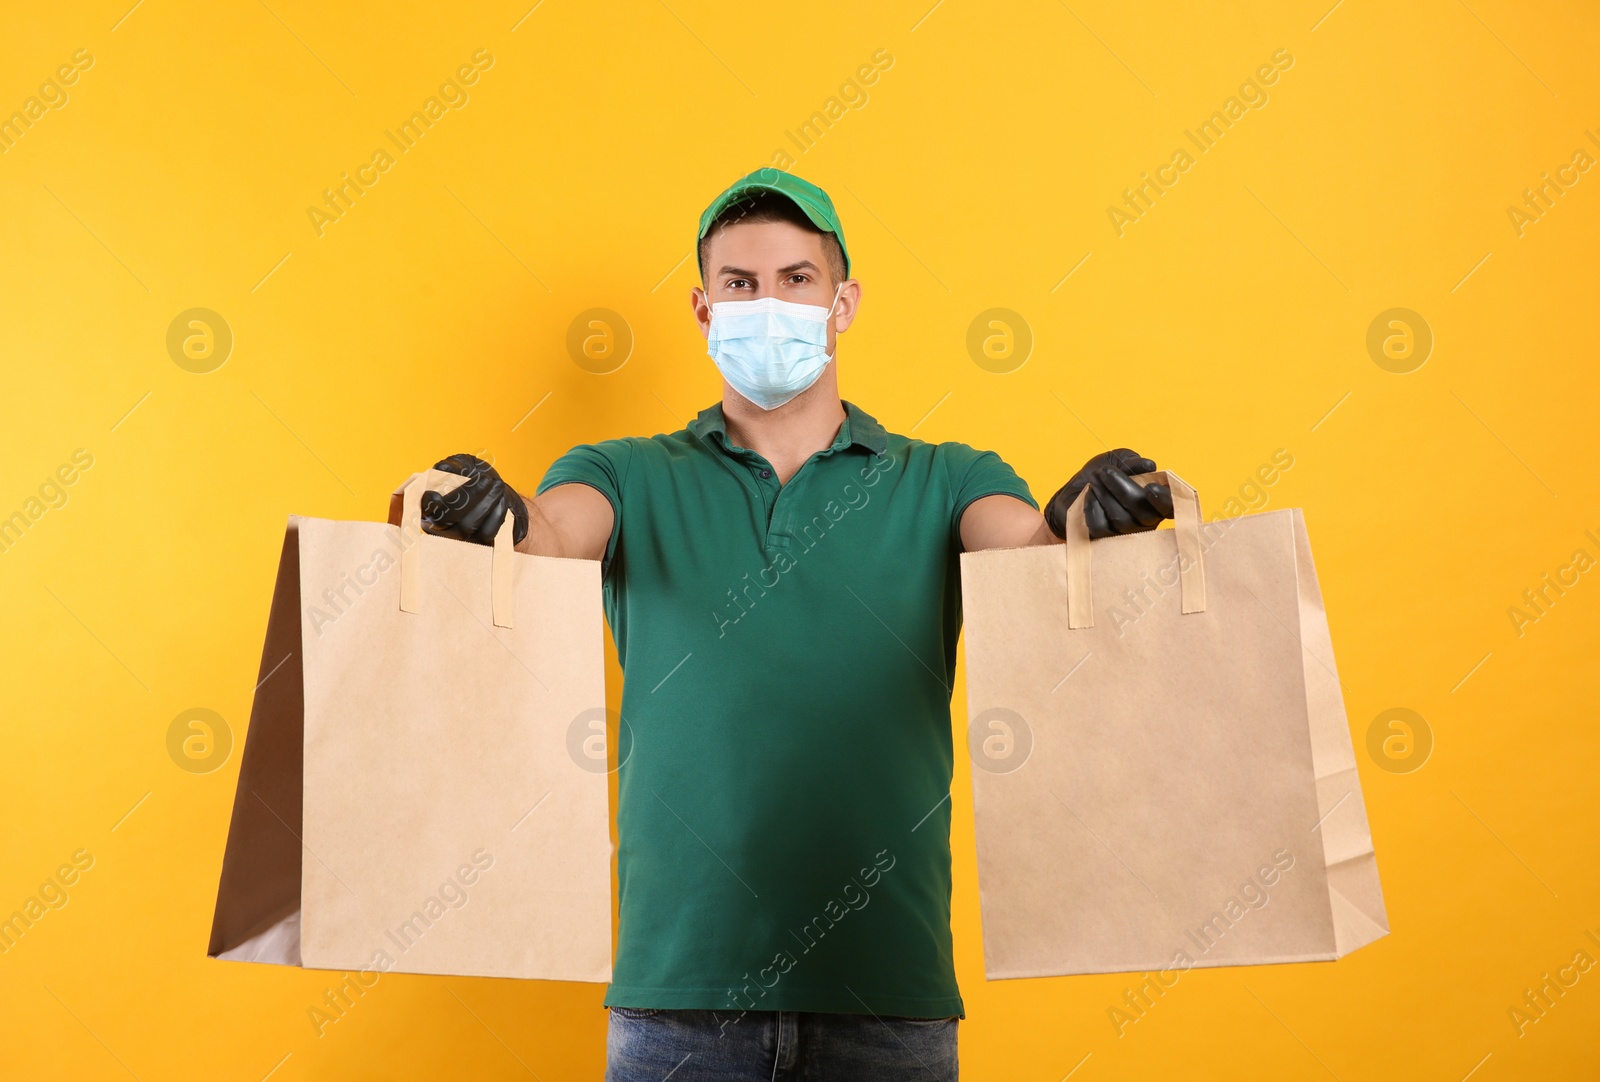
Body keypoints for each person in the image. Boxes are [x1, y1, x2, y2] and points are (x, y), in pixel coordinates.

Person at [418, 169, 1173, 1081]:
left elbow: (1034, 552)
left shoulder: (946, 477)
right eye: (739, 284)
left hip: (887, 999)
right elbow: (551, 536)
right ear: (702, 310)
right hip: (678, 1002)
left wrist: (1089, 513)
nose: (765, 303)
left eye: (796, 279)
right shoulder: (626, 473)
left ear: (843, 301)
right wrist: (497, 516)